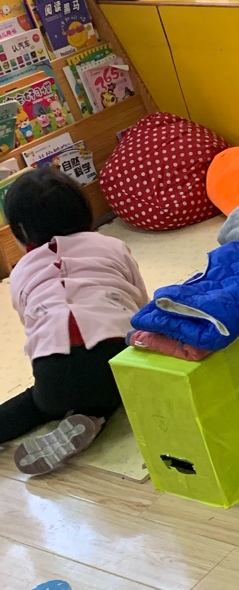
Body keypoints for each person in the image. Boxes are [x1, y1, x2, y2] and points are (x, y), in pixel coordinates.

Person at [0, 167, 147, 476]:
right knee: (115, 387)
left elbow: (31, 324)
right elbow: (141, 308)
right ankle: (93, 418)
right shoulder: (112, 246)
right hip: (114, 357)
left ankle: (35, 420)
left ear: (21, 231)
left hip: (52, 371)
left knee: (36, 404)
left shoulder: (21, 270)